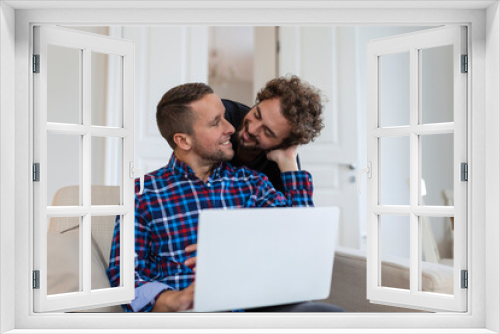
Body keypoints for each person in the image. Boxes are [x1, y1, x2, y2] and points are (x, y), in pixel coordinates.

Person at [106, 82, 341, 313]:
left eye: (225, 116)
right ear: (183, 140)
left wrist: (288, 161)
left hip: (252, 312)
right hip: (188, 319)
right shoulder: (143, 194)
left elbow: (304, 245)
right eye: (216, 122)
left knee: (327, 316)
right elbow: (124, 276)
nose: (231, 128)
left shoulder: (253, 184)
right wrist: (173, 300)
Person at [223, 75, 324, 192]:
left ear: (282, 144)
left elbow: (298, 209)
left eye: (267, 132)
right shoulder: (222, 116)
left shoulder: (283, 159)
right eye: (256, 115)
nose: (251, 129)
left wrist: (288, 163)